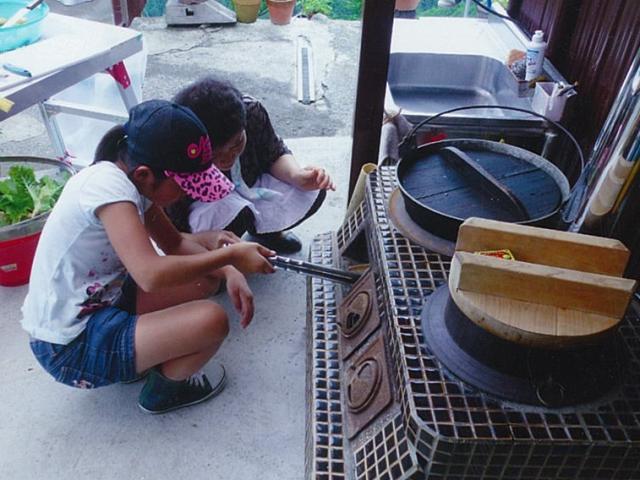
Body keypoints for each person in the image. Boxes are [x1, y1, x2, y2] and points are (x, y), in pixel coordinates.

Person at [21, 100, 276, 414]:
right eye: (183, 186)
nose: (188, 194)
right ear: (145, 175)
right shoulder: (109, 190)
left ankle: (137, 353)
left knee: (207, 278)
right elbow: (150, 274)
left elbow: (174, 244)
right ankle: (162, 391)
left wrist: (226, 266)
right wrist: (230, 258)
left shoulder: (131, 177)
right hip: (69, 345)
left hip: (102, 301)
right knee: (213, 320)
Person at [166, 77, 335, 254]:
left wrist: (297, 176)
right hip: (207, 209)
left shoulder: (251, 112)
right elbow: (173, 231)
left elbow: (273, 152)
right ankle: (220, 256)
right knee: (233, 212)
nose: (227, 158)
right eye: (214, 155)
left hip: (249, 184)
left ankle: (267, 233)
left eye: (236, 144)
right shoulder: (177, 148)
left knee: (309, 190)